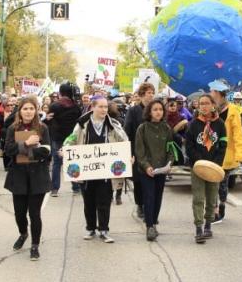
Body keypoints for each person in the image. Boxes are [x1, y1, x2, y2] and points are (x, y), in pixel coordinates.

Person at [64, 96, 128, 243]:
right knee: (89, 201)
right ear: (92, 107)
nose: (104, 110)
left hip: (106, 171)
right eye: (100, 107)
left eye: (106, 107)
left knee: (104, 200)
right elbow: (71, 139)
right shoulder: (82, 125)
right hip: (87, 171)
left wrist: (128, 156)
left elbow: (124, 141)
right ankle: (91, 228)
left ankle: (104, 230)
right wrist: (65, 149)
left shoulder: (113, 125)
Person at [4, 96, 51, 261]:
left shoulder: (43, 128)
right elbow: (8, 150)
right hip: (18, 176)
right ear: (20, 111)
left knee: (35, 214)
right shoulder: (12, 128)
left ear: (36, 110)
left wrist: (26, 150)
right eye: (25, 108)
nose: (29, 111)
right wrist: (26, 144)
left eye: (32, 108)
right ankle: (23, 233)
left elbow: (46, 152)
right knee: (19, 213)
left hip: (38, 176)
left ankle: (35, 245)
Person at [185, 94, 227, 242]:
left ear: (213, 105)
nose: (203, 106)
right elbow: (189, 146)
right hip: (197, 167)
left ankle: (208, 225)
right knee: (198, 198)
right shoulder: (193, 124)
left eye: (206, 103)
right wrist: (200, 161)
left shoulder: (220, 124)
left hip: (214, 168)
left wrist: (216, 163)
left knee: (211, 198)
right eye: (201, 104)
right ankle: (198, 228)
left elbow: (223, 145)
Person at [134, 99, 174, 241]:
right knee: (149, 197)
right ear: (149, 112)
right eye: (155, 109)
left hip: (161, 170)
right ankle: (149, 226)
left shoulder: (167, 128)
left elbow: (170, 149)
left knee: (158, 197)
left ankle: (154, 221)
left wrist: (170, 163)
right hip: (146, 170)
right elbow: (139, 151)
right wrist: (146, 166)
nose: (158, 112)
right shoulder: (142, 128)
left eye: (160, 109)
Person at [210, 82, 242, 222]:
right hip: (212, 153)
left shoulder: (233, 112)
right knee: (212, 183)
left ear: (219, 93)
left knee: (222, 184)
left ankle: (221, 208)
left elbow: (238, 135)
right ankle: (214, 209)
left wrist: (240, 155)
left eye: (212, 91)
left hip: (227, 155)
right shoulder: (212, 111)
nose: (210, 94)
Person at [124, 82, 156, 219]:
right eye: (149, 92)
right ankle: (140, 205)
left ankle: (151, 208)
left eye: (153, 92)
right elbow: (128, 131)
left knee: (152, 180)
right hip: (138, 150)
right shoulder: (134, 111)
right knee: (138, 181)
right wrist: (130, 152)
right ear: (142, 94)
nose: (151, 95)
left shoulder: (155, 110)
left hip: (153, 151)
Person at [46, 83, 82, 197]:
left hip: (57, 137)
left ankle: (55, 189)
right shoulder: (75, 106)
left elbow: (49, 120)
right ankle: (76, 187)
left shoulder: (54, 106)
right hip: (72, 138)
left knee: (56, 163)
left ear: (61, 93)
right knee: (72, 161)